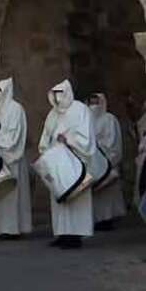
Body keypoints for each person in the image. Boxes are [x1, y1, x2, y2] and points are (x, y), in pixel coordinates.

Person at [37, 80, 95, 249]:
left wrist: (69, 140)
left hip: (74, 162)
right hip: (57, 162)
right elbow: (46, 135)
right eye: (55, 93)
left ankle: (75, 236)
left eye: (60, 93)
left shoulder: (80, 110)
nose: (57, 97)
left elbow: (86, 137)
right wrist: (46, 151)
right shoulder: (52, 114)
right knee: (60, 199)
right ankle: (62, 233)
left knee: (75, 197)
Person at [0, 77, 31, 238]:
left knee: (12, 194)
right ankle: (0, 228)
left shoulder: (16, 109)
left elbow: (14, 135)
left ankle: (13, 229)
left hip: (12, 158)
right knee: (0, 194)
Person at [88, 93, 127, 229]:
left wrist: (101, 149)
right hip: (93, 163)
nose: (93, 106)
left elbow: (113, 141)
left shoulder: (109, 119)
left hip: (107, 162)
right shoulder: (87, 120)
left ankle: (108, 220)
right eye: (91, 103)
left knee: (107, 195)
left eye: (96, 103)